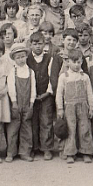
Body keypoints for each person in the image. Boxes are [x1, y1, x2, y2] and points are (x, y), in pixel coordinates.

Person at [56, 49, 93, 164]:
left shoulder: (84, 77)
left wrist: (91, 107)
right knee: (70, 130)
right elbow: (59, 93)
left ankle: (86, 152)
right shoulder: (64, 76)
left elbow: (89, 93)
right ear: (68, 62)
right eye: (74, 62)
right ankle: (70, 153)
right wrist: (60, 108)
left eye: (79, 62)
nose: (77, 65)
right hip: (69, 107)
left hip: (83, 106)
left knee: (84, 128)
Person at [27, 32, 61, 161]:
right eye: (35, 44)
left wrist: (47, 93)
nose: (37, 47)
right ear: (30, 45)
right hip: (32, 96)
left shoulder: (50, 58)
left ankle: (47, 148)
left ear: (44, 44)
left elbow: (52, 76)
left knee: (46, 121)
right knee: (33, 122)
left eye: (40, 44)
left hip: (46, 95)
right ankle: (34, 148)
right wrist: (32, 95)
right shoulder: (27, 58)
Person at [6, 43, 36, 162]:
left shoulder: (30, 72)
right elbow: (11, 88)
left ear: (26, 56)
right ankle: (10, 152)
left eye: (23, 56)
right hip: (16, 103)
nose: (21, 59)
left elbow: (33, 88)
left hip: (27, 103)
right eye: (18, 57)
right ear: (14, 59)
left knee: (26, 128)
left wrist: (31, 104)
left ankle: (25, 151)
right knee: (13, 128)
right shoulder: (12, 72)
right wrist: (14, 103)